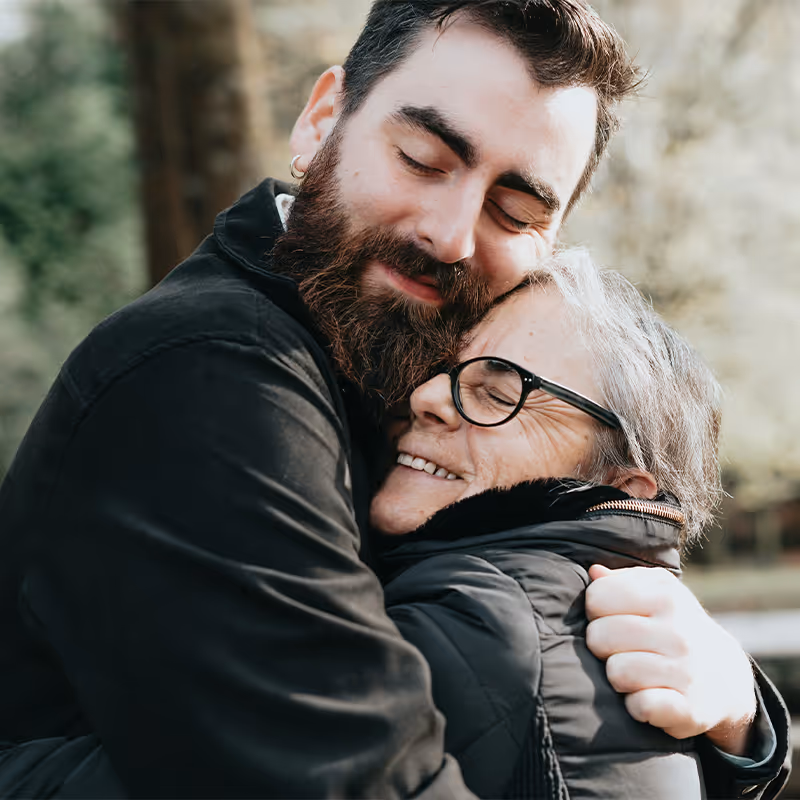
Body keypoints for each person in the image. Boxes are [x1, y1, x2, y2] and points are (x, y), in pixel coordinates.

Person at [0, 1, 790, 798]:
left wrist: (741, 720)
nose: (451, 235)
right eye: (422, 157)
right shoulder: (214, 375)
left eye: (513, 211)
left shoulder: (393, 360)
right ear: (319, 122)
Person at [370, 249, 790, 798]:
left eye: (498, 393)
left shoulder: (472, 624)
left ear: (620, 487)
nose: (425, 397)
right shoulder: (575, 634)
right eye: (434, 370)